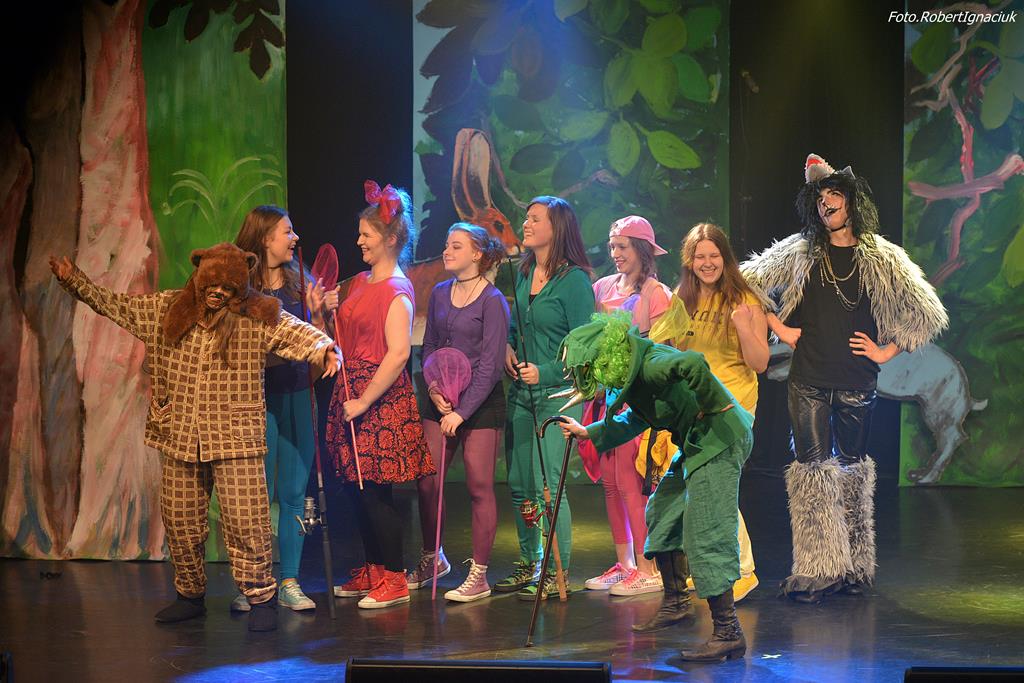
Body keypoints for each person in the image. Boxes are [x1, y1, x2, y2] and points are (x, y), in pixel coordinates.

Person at [50, 243, 339, 632]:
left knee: (247, 521)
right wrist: (75, 281)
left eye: (228, 287)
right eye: (212, 284)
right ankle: (189, 595)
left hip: (235, 436)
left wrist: (324, 349)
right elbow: (117, 306)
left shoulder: (255, 315)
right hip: (180, 433)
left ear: (239, 287)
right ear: (200, 277)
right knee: (181, 519)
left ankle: (261, 598)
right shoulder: (168, 308)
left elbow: (295, 331)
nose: (218, 292)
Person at [740, 154, 947, 603]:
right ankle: (818, 568)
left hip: (856, 380)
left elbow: (927, 313)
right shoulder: (800, 251)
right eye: (819, 197)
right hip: (808, 380)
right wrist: (779, 328)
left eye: (833, 194)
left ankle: (854, 565)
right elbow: (744, 282)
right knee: (813, 472)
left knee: (852, 470)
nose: (825, 203)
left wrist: (885, 350)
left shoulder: (882, 257)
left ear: (851, 202)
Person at [556, 312, 753, 662]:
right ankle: (676, 603)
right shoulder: (637, 377)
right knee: (661, 512)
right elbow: (636, 418)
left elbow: (693, 362)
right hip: (697, 442)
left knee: (706, 531)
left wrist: (712, 406)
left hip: (721, 439)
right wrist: (589, 432)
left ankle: (729, 633)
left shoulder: (651, 365)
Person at [327, 181, 434, 609]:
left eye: (366, 235)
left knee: (377, 491)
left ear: (390, 239)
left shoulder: (396, 291)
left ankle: (394, 577)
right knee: (357, 488)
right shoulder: (359, 283)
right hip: (351, 388)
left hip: (378, 398)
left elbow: (398, 354)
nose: (359, 241)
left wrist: (365, 400)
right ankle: (373, 568)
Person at [227, 205, 339, 613]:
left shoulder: (299, 286)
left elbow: (319, 347)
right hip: (254, 401)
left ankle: (289, 580)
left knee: (293, 493)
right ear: (264, 238)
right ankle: (254, 582)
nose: (295, 238)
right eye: (287, 231)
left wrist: (319, 313)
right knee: (255, 497)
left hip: (296, 395)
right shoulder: (240, 288)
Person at [498, 196, 595, 599]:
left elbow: (586, 348)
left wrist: (547, 372)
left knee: (548, 486)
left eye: (535, 219)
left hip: (558, 395)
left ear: (557, 228)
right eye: (526, 218)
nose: (526, 224)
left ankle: (559, 572)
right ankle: (530, 561)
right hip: (522, 393)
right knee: (520, 483)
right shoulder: (524, 273)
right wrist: (508, 346)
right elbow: (518, 325)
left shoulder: (574, 282)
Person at [408, 223, 510, 602]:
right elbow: (430, 346)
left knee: (478, 486)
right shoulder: (439, 293)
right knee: (428, 481)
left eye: (456, 246)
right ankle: (433, 558)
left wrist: (462, 412)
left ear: (477, 254)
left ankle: (479, 575)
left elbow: (491, 366)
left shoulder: (493, 301)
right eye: (446, 245)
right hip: (441, 400)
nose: (447, 252)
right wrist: (435, 390)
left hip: (478, 404)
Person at [671, 223, 768, 601]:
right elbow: (676, 353)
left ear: (726, 259)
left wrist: (743, 327)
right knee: (701, 490)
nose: (707, 263)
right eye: (700, 256)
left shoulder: (744, 299)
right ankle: (714, 568)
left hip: (733, 406)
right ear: (690, 261)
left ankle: (742, 571)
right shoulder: (683, 299)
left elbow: (760, 362)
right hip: (695, 408)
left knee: (718, 488)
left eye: (714, 255)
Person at [583, 216, 670, 597]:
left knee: (629, 482)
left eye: (623, 246)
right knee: (609, 482)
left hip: (637, 400)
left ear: (642, 249)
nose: (615, 253)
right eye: (612, 246)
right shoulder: (602, 287)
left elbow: (663, 351)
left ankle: (648, 568)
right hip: (605, 397)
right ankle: (625, 563)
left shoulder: (656, 293)